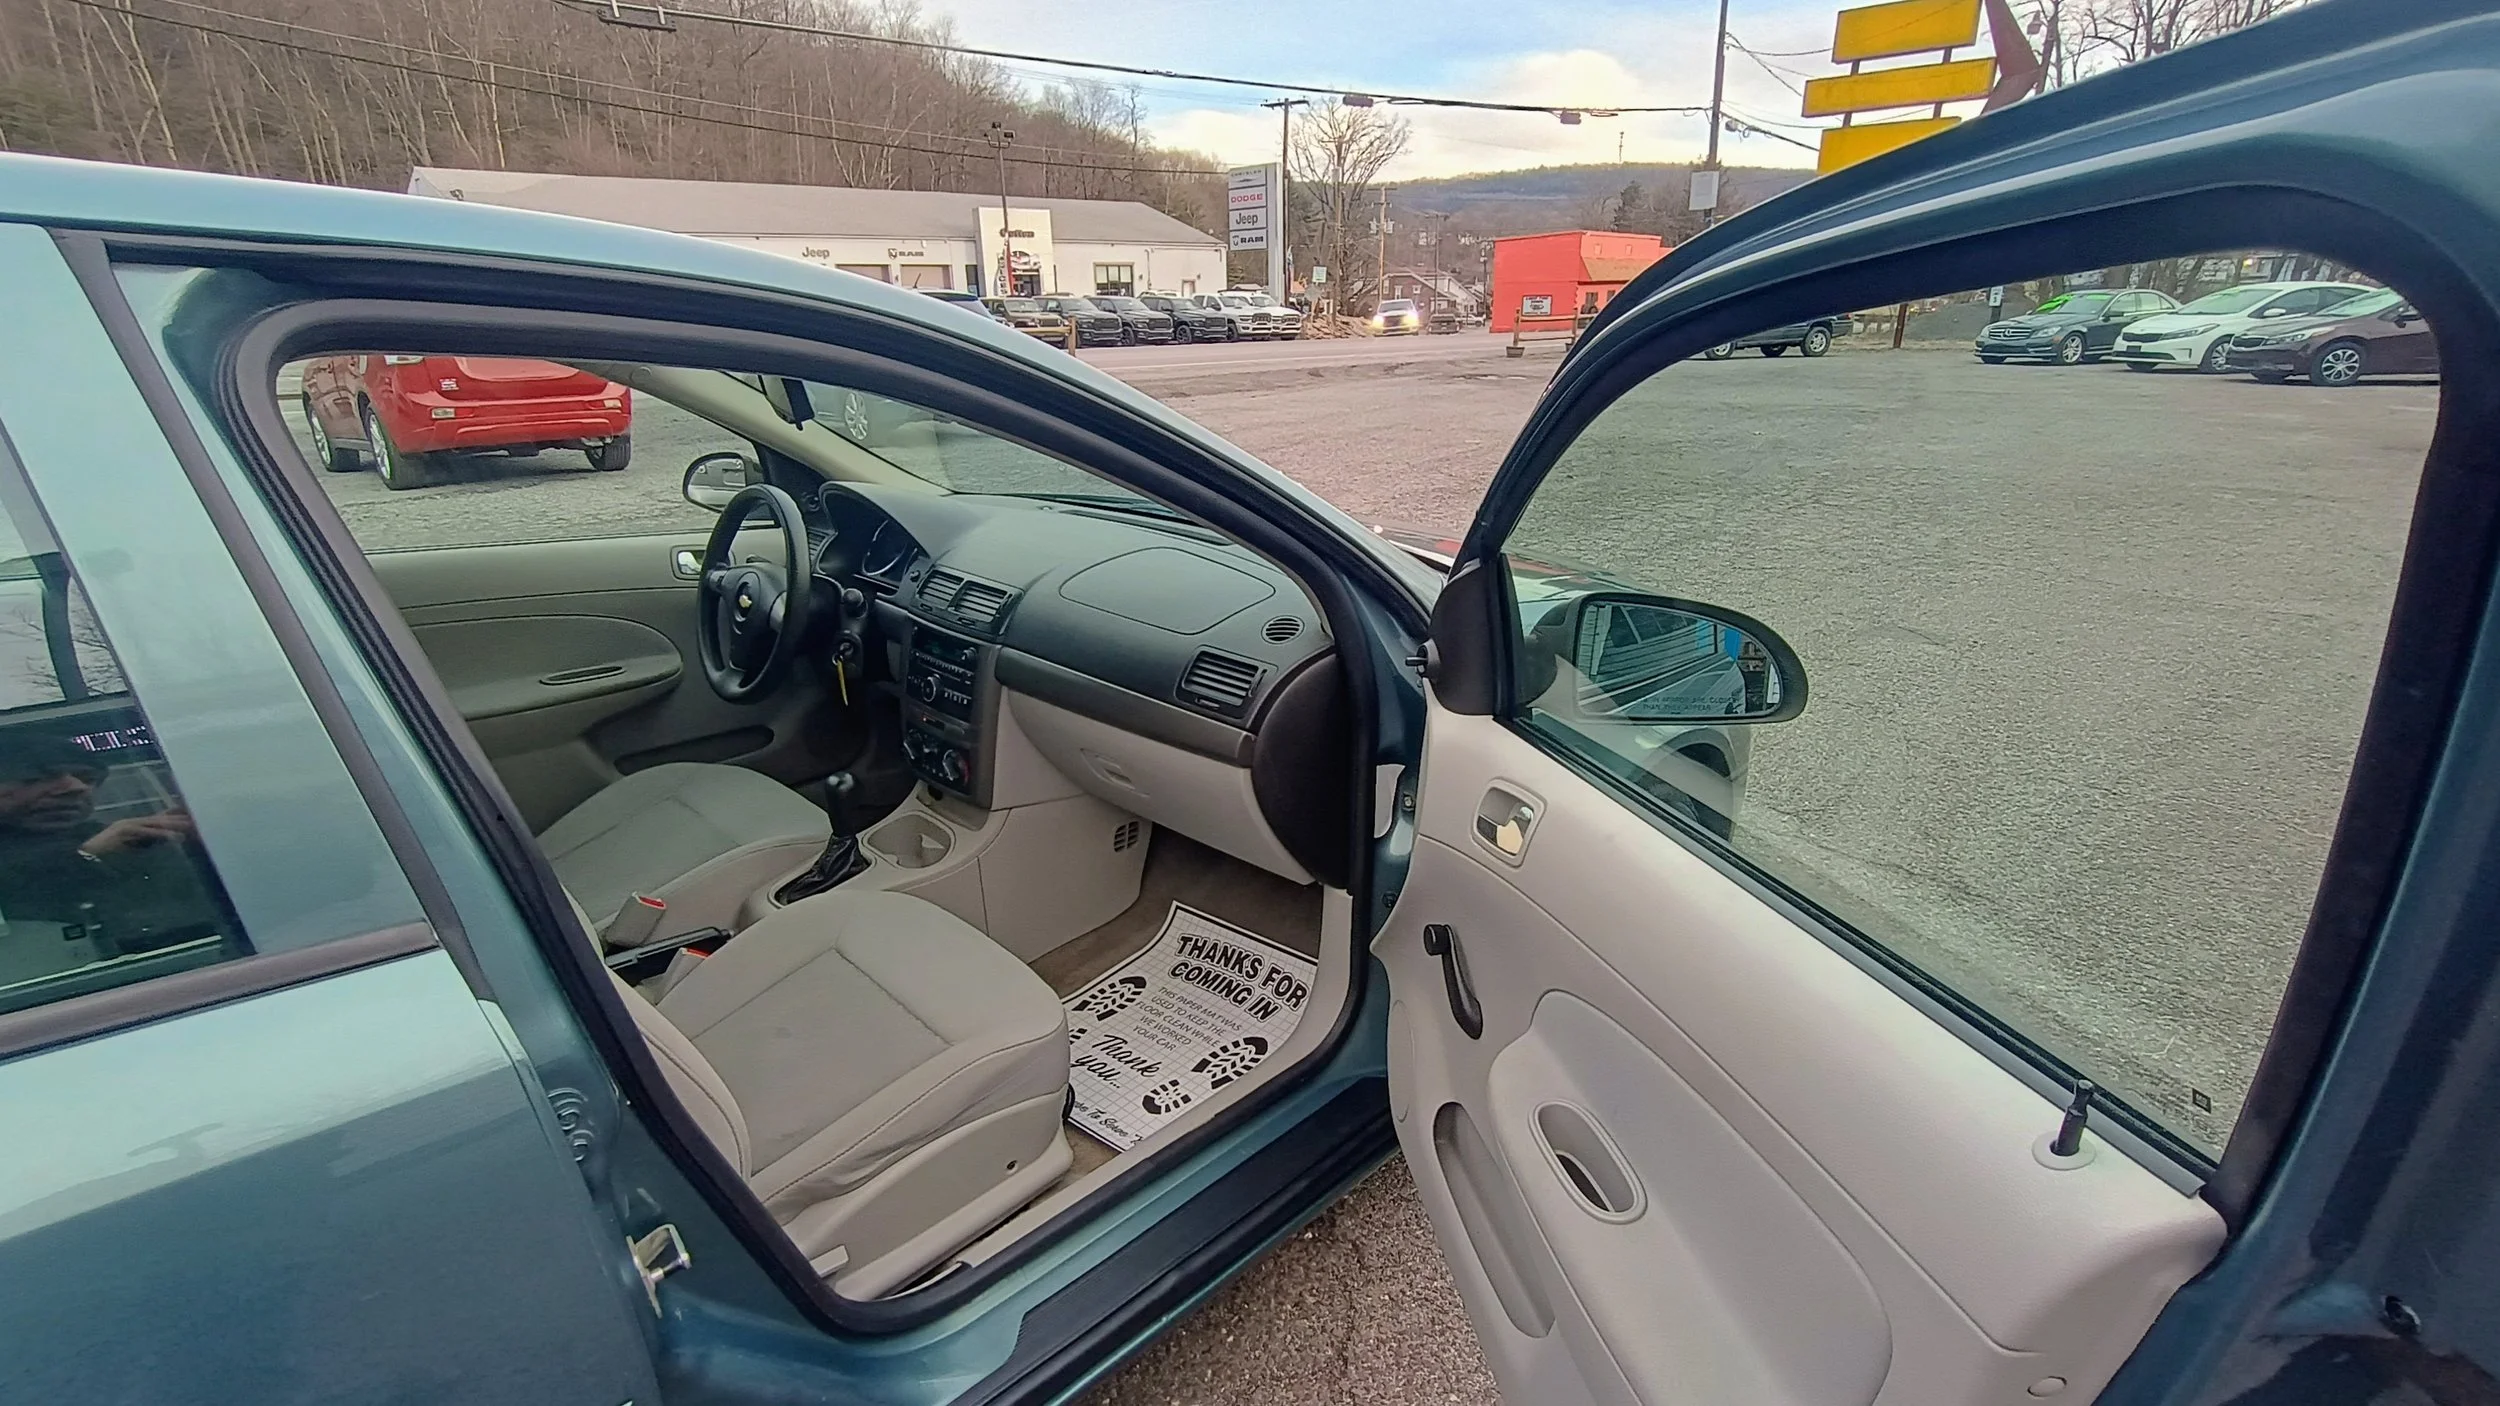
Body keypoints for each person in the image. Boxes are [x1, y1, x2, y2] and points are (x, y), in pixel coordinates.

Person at [0, 729, 221, 960]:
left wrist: (200, 846)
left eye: (88, 778)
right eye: (37, 777)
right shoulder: (104, 843)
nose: (77, 787)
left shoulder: (121, 838)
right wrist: (86, 859)